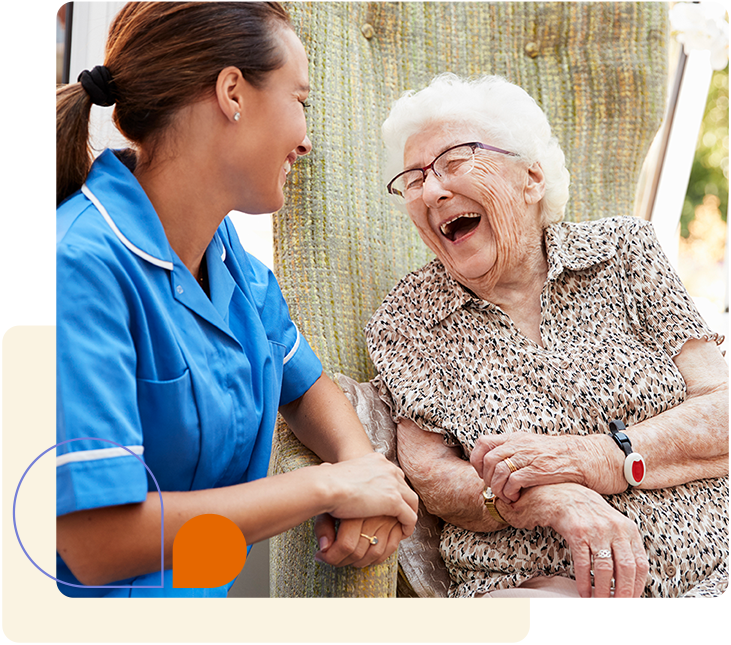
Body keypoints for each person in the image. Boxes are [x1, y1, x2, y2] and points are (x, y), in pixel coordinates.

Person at [55, 1, 418, 598]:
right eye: (300, 102)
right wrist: (331, 488)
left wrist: (363, 467)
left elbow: (304, 384)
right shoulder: (80, 267)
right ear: (232, 93)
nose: (305, 141)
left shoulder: (223, 255)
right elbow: (96, 545)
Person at [365, 73, 728, 598]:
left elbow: (722, 409)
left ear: (531, 178)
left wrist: (599, 458)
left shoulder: (623, 252)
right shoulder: (408, 318)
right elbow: (432, 477)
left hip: (715, 566)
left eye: (453, 161)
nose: (433, 190)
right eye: (415, 178)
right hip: (542, 583)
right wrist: (554, 501)